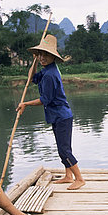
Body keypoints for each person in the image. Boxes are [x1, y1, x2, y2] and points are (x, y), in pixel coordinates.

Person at [16, 35, 85, 190]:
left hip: (62, 116)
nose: (42, 58)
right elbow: (32, 78)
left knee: (64, 149)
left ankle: (79, 179)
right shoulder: (46, 70)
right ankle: (68, 176)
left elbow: (45, 100)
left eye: (45, 55)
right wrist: (34, 61)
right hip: (57, 116)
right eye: (40, 55)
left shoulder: (50, 75)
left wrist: (25, 103)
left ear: (53, 57)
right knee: (63, 147)